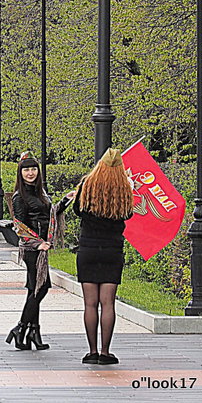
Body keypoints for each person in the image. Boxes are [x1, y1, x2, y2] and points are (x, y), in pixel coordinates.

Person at [73, 147, 134, 366]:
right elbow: (128, 214)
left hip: (88, 249)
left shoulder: (86, 186)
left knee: (90, 304)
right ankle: (106, 353)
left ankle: (91, 351)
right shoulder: (124, 190)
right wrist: (129, 184)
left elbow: (77, 211)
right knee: (108, 303)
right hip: (112, 251)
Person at [7, 152, 73, 351]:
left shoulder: (41, 193)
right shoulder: (20, 196)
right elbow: (19, 226)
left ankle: (33, 332)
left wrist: (65, 200)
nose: (30, 172)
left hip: (41, 248)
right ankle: (20, 328)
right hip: (32, 250)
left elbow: (50, 214)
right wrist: (37, 244)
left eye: (33, 168)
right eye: (26, 169)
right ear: (20, 172)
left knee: (33, 289)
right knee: (41, 288)